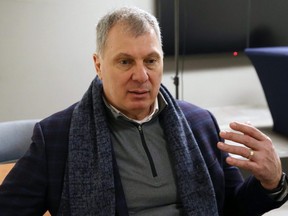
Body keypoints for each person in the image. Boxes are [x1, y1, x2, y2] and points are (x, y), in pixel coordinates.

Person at [0, 6, 287, 216]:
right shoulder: (56, 136)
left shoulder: (200, 123)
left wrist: (272, 182)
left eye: (151, 61)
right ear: (98, 65)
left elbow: (233, 207)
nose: (141, 76)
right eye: (125, 62)